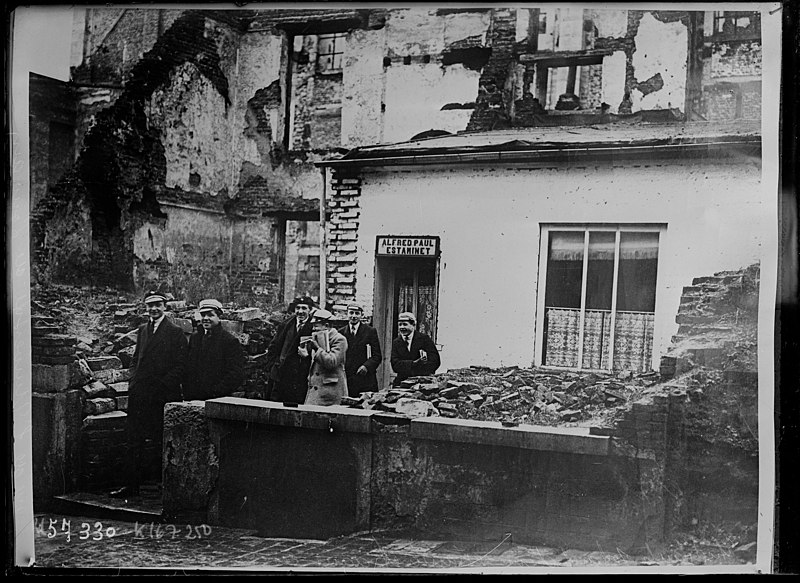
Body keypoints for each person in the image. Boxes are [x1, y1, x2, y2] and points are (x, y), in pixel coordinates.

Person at [111, 290, 187, 498]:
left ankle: (163, 487)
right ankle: (131, 486)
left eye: (158, 304)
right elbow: (137, 358)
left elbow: (181, 365)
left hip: (161, 395)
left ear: (165, 306)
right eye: (150, 305)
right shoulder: (143, 329)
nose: (154, 308)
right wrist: (133, 379)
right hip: (140, 393)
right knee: (133, 439)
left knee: (159, 439)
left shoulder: (174, 332)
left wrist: (162, 385)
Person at [183, 299, 246, 401]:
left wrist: (215, 392)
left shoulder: (229, 341)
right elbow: (188, 366)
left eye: (210, 315)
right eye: (203, 315)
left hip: (216, 399)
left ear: (218, 317)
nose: (206, 318)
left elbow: (235, 374)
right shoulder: (195, 338)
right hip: (193, 398)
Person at [264, 296, 316, 404]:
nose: (300, 312)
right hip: (281, 373)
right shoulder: (286, 324)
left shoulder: (314, 327)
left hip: (300, 376)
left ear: (310, 310)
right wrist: (273, 366)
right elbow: (274, 347)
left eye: (304, 308)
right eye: (298, 308)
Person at [301, 309, 348, 406]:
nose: (313, 330)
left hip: (330, 394)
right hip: (315, 391)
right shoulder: (319, 338)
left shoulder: (339, 339)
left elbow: (332, 362)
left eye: (316, 326)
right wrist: (305, 355)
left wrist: (317, 348)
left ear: (326, 326)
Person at [338, 304, 382, 396]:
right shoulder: (341, 332)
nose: (354, 316)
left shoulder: (370, 331)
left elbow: (377, 356)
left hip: (366, 379)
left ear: (362, 315)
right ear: (347, 314)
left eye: (357, 313)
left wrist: (366, 366)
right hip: (348, 378)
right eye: (351, 313)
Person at [390, 311, 440, 387]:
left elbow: (435, 361)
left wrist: (422, 373)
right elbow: (395, 365)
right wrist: (414, 363)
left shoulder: (424, 339)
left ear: (413, 324)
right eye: (400, 325)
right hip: (402, 383)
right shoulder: (396, 342)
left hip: (422, 383)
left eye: (405, 324)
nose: (402, 327)